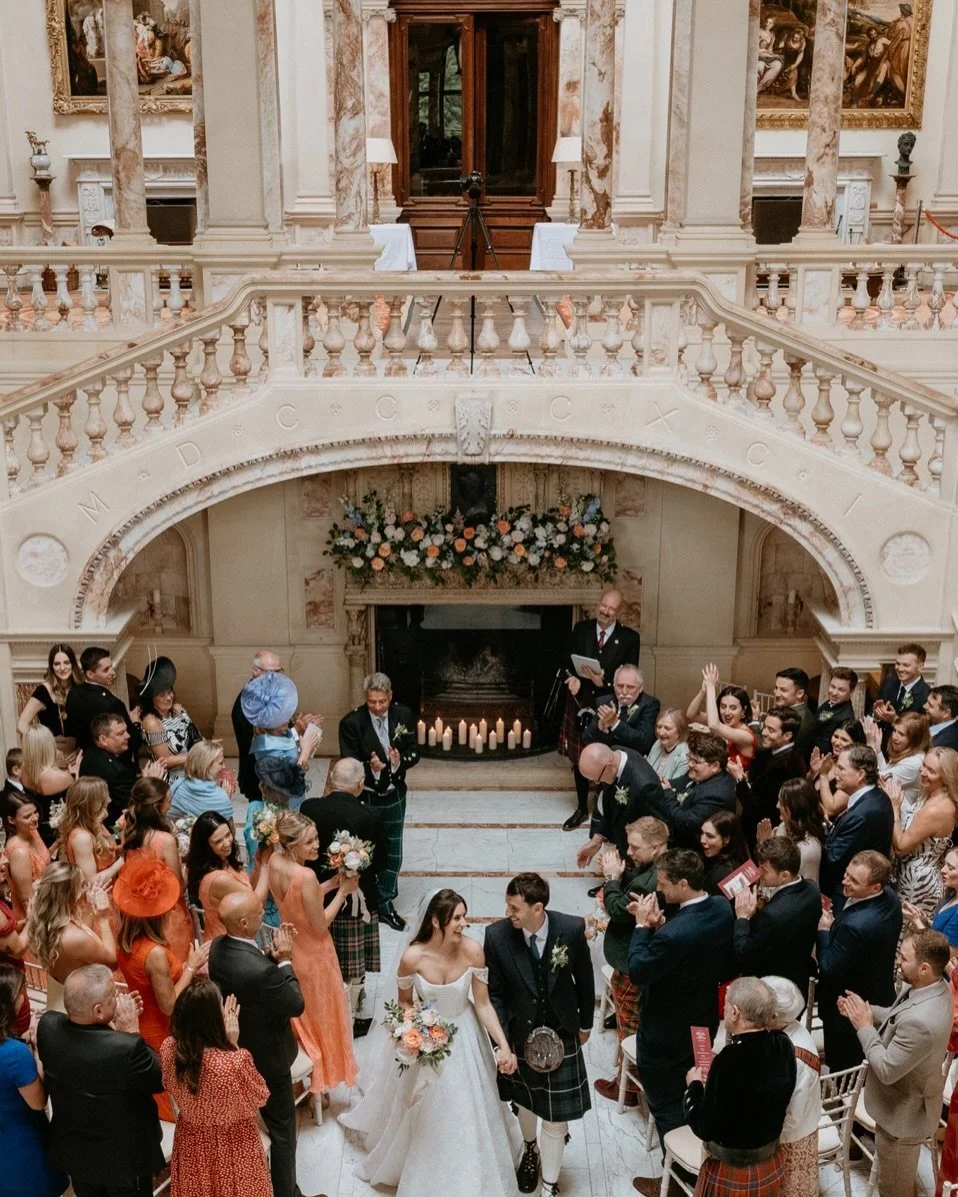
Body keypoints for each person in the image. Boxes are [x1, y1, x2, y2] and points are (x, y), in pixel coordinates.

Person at [342, 888, 520, 1197]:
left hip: (465, 1038)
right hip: (427, 1042)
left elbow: (483, 1004)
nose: (464, 924)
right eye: (457, 918)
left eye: (464, 916)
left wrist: (503, 1046)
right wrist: (416, 1034)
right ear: (436, 921)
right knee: (426, 1109)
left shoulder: (473, 951)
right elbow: (404, 1006)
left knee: (470, 1106)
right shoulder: (412, 957)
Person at [628, 848, 734, 1192]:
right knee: (699, 1085)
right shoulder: (719, 907)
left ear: (684, 883)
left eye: (664, 885)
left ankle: (677, 1177)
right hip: (702, 1021)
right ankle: (702, 1163)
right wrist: (662, 925)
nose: (660, 891)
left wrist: (643, 927)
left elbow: (640, 971)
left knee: (667, 1104)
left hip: (664, 1033)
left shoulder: (675, 935)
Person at [483, 873, 594, 1197]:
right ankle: (530, 1149)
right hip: (519, 1036)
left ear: (538, 907)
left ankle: (549, 1184)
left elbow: (584, 981)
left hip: (562, 1032)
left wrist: (584, 1024)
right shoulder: (497, 936)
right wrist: (502, 1043)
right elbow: (496, 994)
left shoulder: (570, 929)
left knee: (557, 1119)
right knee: (526, 1102)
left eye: (515, 908)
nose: (508, 913)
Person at [207, 891, 309, 1197]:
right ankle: (287, 1192)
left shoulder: (218, 947)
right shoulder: (261, 972)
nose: (264, 914)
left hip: (239, 1044)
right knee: (283, 1132)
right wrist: (285, 961)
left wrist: (268, 958)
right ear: (242, 922)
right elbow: (295, 1004)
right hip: (268, 1057)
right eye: (258, 912)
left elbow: (248, 981)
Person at [840, 929, 953, 1197]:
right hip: (905, 1097)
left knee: (894, 1189)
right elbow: (897, 1017)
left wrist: (864, 1026)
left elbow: (887, 1069)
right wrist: (865, 1012)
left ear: (924, 967)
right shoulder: (930, 985)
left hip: (905, 1114)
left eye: (903, 958)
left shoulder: (923, 1022)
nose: (898, 962)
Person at [36, 964, 165, 1197]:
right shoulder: (126, 1048)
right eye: (113, 996)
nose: (119, 999)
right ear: (97, 1011)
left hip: (78, 1156)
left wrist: (109, 1024)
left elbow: (92, 1046)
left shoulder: (47, 1027)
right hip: (124, 1162)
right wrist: (132, 1032)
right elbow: (159, 1078)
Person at [268, 811, 358, 1111]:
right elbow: (320, 923)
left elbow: (298, 903)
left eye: (316, 837)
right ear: (293, 845)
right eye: (310, 841)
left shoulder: (274, 862)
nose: (317, 845)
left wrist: (331, 883)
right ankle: (323, 1078)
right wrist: (343, 892)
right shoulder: (304, 875)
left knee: (303, 1020)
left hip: (291, 951)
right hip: (316, 956)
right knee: (323, 1020)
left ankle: (305, 1080)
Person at [114, 856, 210, 1122]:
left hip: (144, 1022)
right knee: (175, 1108)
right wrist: (191, 967)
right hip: (162, 1031)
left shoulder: (125, 938)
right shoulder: (154, 953)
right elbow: (169, 1005)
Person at [682, 977, 795, 1197]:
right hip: (769, 1159)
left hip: (732, 1167)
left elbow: (705, 1127)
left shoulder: (729, 1059)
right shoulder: (783, 1044)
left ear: (735, 1013)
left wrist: (694, 1087)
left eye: (725, 1006)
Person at [161, 981, 272, 1197]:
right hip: (234, 1146)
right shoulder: (234, 1063)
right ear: (212, 1021)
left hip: (191, 1144)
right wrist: (232, 1045)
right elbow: (261, 1096)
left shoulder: (168, 1050)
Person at [299, 756, 386, 1035]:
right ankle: (354, 1015)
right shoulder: (371, 815)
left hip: (316, 894)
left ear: (331, 779)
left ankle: (326, 1012)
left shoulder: (309, 807)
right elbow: (381, 861)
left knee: (323, 958)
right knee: (353, 963)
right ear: (360, 784)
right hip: (355, 899)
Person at [593, 816, 669, 1105]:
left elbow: (619, 909)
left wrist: (612, 879)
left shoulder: (652, 879)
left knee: (629, 1024)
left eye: (636, 847)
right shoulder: (652, 868)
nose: (629, 852)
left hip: (631, 960)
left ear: (657, 847)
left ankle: (628, 1088)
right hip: (635, 954)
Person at [338, 671, 419, 930]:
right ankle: (364, 900)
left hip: (395, 794)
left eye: (382, 701)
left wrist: (397, 762)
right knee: (365, 851)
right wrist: (371, 768)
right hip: (367, 797)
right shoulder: (351, 723)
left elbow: (414, 752)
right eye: (372, 701)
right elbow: (348, 760)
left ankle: (385, 903)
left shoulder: (403, 716)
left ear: (390, 696)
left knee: (393, 852)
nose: (377, 707)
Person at [559, 590, 641, 830]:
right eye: (603, 606)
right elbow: (566, 662)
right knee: (580, 757)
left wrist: (603, 684)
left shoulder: (629, 638)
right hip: (580, 702)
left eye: (611, 609)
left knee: (607, 757)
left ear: (619, 612)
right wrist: (572, 679)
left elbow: (630, 676)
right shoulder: (581, 629)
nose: (605, 611)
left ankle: (605, 807)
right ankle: (581, 808)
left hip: (611, 705)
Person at [817, 850, 901, 1073]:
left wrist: (824, 931)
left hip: (846, 1011)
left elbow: (828, 967)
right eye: (846, 874)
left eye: (854, 881)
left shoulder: (855, 927)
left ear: (875, 887)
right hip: (878, 989)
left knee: (844, 1068)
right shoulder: (891, 898)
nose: (845, 882)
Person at [0, 964, 68, 1197]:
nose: (25, 994)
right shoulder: (13, 1055)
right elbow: (39, 1101)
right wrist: (38, 1051)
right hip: (23, 1146)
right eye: (20, 991)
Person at [732, 837, 821, 999]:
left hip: (773, 989)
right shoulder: (812, 888)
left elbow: (744, 956)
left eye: (764, 870)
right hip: (798, 975)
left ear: (785, 876)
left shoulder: (771, 916)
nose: (758, 872)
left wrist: (743, 918)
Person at [121, 776, 194, 962]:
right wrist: (186, 869)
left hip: (137, 915)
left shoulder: (128, 833)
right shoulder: (165, 840)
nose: (170, 805)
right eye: (169, 801)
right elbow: (178, 888)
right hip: (166, 917)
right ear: (157, 806)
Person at [28, 860, 117, 1013]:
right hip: (79, 1009)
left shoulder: (48, 920)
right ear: (69, 894)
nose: (86, 887)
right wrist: (103, 918)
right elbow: (112, 962)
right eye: (82, 885)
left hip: (58, 995)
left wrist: (90, 908)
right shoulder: (74, 938)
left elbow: (80, 946)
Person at [763, 975, 822, 1197]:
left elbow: (793, 1117)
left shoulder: (797, 1057)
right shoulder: (786, 1027)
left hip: (791, 1140)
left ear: (774, 1016)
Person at [819, 745, 894, 910]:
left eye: (841, 768)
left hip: (849, 894)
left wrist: (817, 833)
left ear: (860, 775)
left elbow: (834, 859)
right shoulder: (876, 796)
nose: (835, 773)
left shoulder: (863, 813)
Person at [888, 746, 958, 920]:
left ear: (945, 778)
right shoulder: (934, 794)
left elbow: (901, 847)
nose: (923, 771)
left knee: (907, 936)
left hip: (917, 883)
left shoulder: (936, 809)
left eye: (931, 771)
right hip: (917, 873)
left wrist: (895, 808)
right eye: (924, 765)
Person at [575, 742, 665, 868]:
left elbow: (658, 832)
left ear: (609, 765)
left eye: (598, 779)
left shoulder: (645, 787)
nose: (597, 782)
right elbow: (611, 805)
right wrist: (597, 839)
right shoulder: (615, 753)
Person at [186, 811, 271, 940]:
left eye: (227, 835)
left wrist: (258, 867)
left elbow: (246, 888)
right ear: (206, 846)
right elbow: (255, 904)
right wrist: (265, 866)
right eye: (218, 841)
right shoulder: (219, 879)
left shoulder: (224, 860)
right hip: (226, 944)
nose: (227, 843)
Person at [648, 731, 737, 851]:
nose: (690, 764)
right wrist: (665, 783)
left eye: (696, 761)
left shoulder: (717, 795)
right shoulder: (701, 773)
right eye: (689, 757)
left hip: (690, 850)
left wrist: (668, 793)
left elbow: (684, 823)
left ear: (715, 766)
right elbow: (679, 782)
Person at [735, 706, 804, 851]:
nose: (764, 732)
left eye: (771, 730)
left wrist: (740, 779)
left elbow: (757, 808)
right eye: (764, 727)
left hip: (762, 834)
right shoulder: (773, 753)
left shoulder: (783, 767)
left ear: (787, 735)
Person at [80, 712, 162, 824]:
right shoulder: (117, 771)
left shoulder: (90, 754)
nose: (128, 736)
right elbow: (135, 808)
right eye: (121, 733)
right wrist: (149, 782)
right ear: (103, 740)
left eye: (126, 731)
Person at [231, 649, 284, 805]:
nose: (277, 677)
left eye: (280, 671)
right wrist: (296, 732)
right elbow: (260, 745)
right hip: (258, 779)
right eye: (271, 672)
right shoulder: (246, 704)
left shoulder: (272, 692)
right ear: (255, 671)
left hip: (277, 775)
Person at [65, 646, 141, 755]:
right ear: (90, 674)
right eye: (106, 670)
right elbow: (133, 742)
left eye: (111, 667)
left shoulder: (74, 692)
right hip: (114, 765)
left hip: (85, 759)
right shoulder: (113, 704)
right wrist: (135, 722)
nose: (113, 673)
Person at [137, 655, 197, 783]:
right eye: (162, 695)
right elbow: (165, 761)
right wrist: (197, 755)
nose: (168, 698)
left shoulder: (178, 709)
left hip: (192, 771)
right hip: (172, 780)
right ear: (151, 698)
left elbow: (196, 738)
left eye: (170, 692)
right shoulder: (152, 722)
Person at [686, 665, 758, 771]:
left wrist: (711, 686)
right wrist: (703, 690)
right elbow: (691, 715)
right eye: (723, 707)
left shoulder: (746, 735)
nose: (727, 712)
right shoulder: (721, 723)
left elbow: (714, 725)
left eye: (733, 708)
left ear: (743, 710)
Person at [17, 643, 82, 757]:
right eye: (57, 664)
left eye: (66, 663)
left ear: (73, 664)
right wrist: (47, 745)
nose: (62, 668)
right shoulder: (44, 690)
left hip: (78, 754)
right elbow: (21, 726)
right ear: (51, 667)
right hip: (52, 755)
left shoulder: (81, 688)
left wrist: (79, 751)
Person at [757, 777, 826, 884]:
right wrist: (768, 844)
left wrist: (765, 848)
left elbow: (788, 885)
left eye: (781, 802)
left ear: (795, 808)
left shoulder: (808, 850)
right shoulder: (783, 826)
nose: (777, 805)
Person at [581, 665, 660, 757]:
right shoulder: (604, 702)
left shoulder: (649, 704)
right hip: (605, 760)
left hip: (631, 760)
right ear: (614, 685)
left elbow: (644, 742)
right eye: (620, 686)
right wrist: (600, 726)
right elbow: (586, 740)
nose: (624, 692)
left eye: (630, 687)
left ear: (640, 688)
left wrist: (615, 724)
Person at [57, 776, 122, 888]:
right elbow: (92, 882)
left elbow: (104, 844)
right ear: (93, 803)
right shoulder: (81, 838)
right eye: (105, 797)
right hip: (97, 900)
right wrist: (122, 861)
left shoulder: (94, 823)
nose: (109, 800)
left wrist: (119, 829)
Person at [20, 725, 78, 846]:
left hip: (35, 830)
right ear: (49, 746)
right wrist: (73, 773)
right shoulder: (63, 778)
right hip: (59, 832)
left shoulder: (24, 771)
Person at [0, 790, 50, 928]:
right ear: (11, 820)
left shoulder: (32, 831)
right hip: (34, 917)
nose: (35, 818)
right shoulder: (19, 853)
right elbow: (27, 901)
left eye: (35, 812)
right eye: (27, 816)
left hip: (48, 904)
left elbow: (41, 862)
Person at [865, 710, 930, 806]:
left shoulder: (915, 762)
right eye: (895, 730)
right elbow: (887, 770)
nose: (895, 737)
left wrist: (871, 745)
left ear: (914, 740)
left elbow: (877, 779)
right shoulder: (906, 751)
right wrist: (878, 750)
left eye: (901, 734)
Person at [808, 719, 867, 820]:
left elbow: (830, 809)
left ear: (855, 744)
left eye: (844, 740)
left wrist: (823, 775)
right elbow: (807, 787)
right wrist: (813, 772)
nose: (837, 742)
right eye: (836, 736)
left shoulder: (854, 772)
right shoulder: (829, 759)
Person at [903, 845, 958, 948]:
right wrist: (924, 920)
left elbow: (944, 955)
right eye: (945, 864)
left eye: (951, 868)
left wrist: (917, 922)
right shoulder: (951, 895)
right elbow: (939, 932)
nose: (943, 870)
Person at [170, 740, 235, 825]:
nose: (224, 767)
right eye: (221, 763)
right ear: (206, 765)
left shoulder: (178, 786)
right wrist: (226, 798)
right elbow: (230, 832)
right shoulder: (221, 797)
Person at [873, 643, 930, 730]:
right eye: (898, 664)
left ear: (920, 667)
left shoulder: (926, 695)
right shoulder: (888, 683)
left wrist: (895, 720)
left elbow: (921, 731)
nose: (899, 669)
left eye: (906, 665)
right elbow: (873, 716)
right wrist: (877, 716)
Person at [700, 809, 749, 896]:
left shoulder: (722, 875)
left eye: (710, 836)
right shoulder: (739, 858)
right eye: (702, 833)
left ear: (726, 839)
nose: (702, 840)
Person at [810, 668, 858, 756]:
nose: (834, 693)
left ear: (851, 692)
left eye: (841, 690)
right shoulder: (832, 702)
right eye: (832, 686)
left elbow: (835, 749)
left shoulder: (846, 718)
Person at [773, 668, 816, 763]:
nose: (777, 693)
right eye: (776, 688)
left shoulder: (800, 720)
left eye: (783, 690)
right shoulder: (789, 711)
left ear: (800, 693)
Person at [646, 709, 690, 782]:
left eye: (667, 728)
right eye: (659, 727)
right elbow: (646, 770)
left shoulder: (684, 757)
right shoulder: (658, 743)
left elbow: (672, 787)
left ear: (680, 731)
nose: (661, 733)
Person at [927, 686, 958, 752]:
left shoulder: (945, 743)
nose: (924, 706)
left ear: (946, 713)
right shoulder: (930, 721)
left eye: (930, 706)